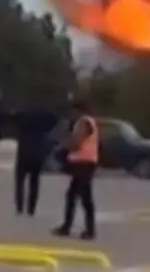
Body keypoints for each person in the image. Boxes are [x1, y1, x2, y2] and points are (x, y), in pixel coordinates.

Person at [52, 98, 99, 240]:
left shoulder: (83, 123)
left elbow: (76, 143)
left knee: (76, 196)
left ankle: (70, 228)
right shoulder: (89, 121)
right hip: (86, 163)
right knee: (83, 197)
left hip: (83, 163)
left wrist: (64, 143)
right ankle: (87, 229)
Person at [14, 108, 57, 217]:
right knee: (34, 182)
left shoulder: (22, 121)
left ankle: (19, 207)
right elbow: (53, 122)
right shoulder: (43, 123)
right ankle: (31, 208)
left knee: (20, 182)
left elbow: (10, 119)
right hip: (37, 154)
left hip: (23, 153)